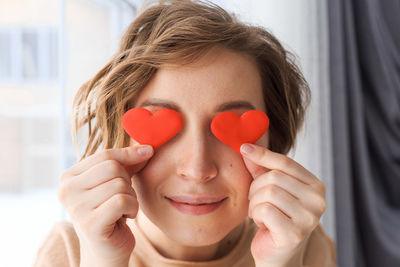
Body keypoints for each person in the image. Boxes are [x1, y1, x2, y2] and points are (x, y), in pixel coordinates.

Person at [33, 0, 337, 266]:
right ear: (121, 138)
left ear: (274, 141)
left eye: (229, 126)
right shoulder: (72, 253)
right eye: (165, 127)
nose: (197, 170)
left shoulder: (303, 247)